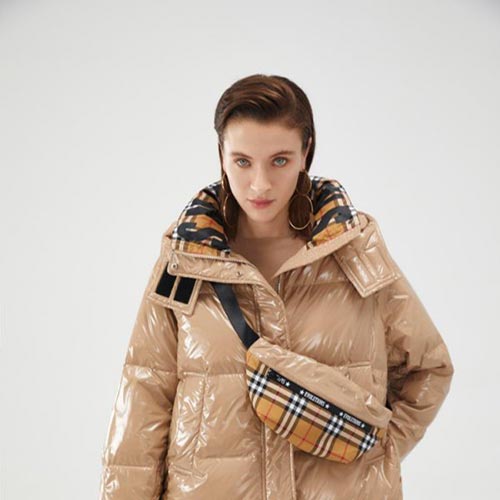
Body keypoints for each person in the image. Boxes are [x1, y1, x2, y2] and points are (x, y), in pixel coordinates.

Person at [99, 74, 454, 500]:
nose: (260, 184)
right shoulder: (185, 258)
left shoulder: (354, 250)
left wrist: (376, 457)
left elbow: (428, 367)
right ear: (221, 155)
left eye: (280, 160)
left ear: (306, 152)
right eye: (242, 161)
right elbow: (144, 395)